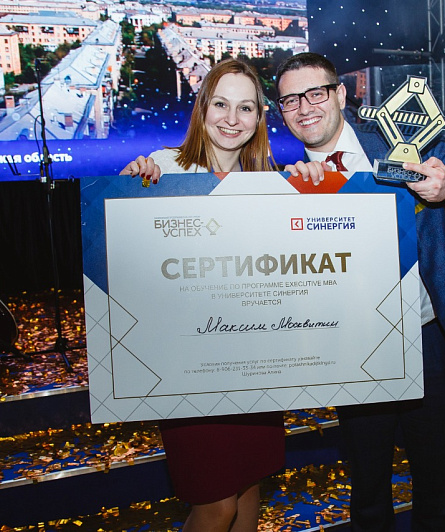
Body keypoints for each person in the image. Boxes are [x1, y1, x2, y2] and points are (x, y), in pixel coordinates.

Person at [275, 52, 445, 531]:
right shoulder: (287, 181)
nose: (304, 107)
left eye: (315, 93)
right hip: (354, 349)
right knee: (367, 495)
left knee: (436, 491)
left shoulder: (401, 141)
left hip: (429, 339)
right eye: (290, 100)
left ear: (341, 94)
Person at [120, 58, 283, 532]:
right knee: (217, 506)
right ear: (202, 108)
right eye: (221, 105)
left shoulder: (268, 182)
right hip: (189, 370)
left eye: (246, 107)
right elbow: (129, 262)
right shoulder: (163, 169)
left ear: (259, 117)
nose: (232, 119)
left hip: (255, 364)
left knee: (249, 490)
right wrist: (126, 193)